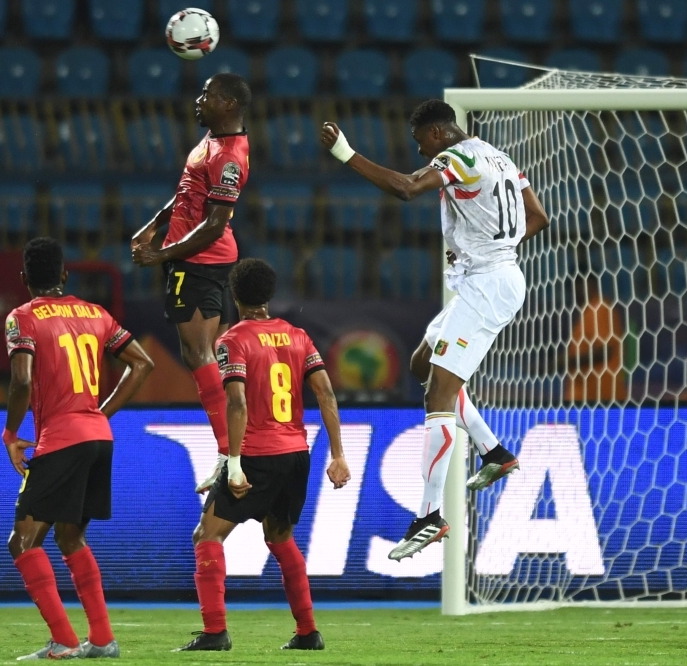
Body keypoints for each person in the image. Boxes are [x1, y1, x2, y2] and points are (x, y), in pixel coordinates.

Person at [320, 99, 550, 561]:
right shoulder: (500, 158)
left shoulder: (455, 157)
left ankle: (429, 516)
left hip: (489, 285)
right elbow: (538, 218)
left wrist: (347, 154)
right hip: (493, 277)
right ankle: (494, 453)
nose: (422, 151)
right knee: (423, 364)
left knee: (438, 395)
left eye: (420, 141)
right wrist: (493, 248)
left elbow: (406, 188)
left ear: (439, 132)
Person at [177, 259, 351, 652]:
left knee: (207, 535)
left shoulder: (232, 341)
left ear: (234, 296)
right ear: (269, 296)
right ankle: (308, 632)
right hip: (295, 454)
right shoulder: (298, 336)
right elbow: (325, 394)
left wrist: (233, 462)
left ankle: (215, 631)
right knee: (280, 537)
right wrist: (338, 454)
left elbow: (236, 402)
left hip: (256, 455)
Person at [3, 238, 154, 660]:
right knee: (71, 537)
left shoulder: (22, 318)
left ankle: (65, 642)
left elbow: (21, 381)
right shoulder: (96, 313)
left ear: (24, 279)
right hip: (98, 437)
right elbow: (143, 363)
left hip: (61, 439)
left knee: (23, 541)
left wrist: (11, 434)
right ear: (65, 276)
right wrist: (102, 414)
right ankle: (103, 640)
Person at [130, 72, 251, 493]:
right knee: (212, 356)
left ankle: (229, 452)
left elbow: (215, 225)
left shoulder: (230, 155)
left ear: (231, 104)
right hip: (204, 261)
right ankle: (234, 446)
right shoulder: (211, 142)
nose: (199, 99)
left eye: (209, 95)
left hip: (199, 262)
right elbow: (186, 193)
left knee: (198, 356)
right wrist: (152, 226)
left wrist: (162, 254)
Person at [565, 275, 629, 403]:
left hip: (601, 399)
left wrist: (563, 362)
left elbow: (604, 352)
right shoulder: (587, 312)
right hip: (586, 399)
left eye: (580, 285)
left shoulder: (599, 309)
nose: (577, 291)